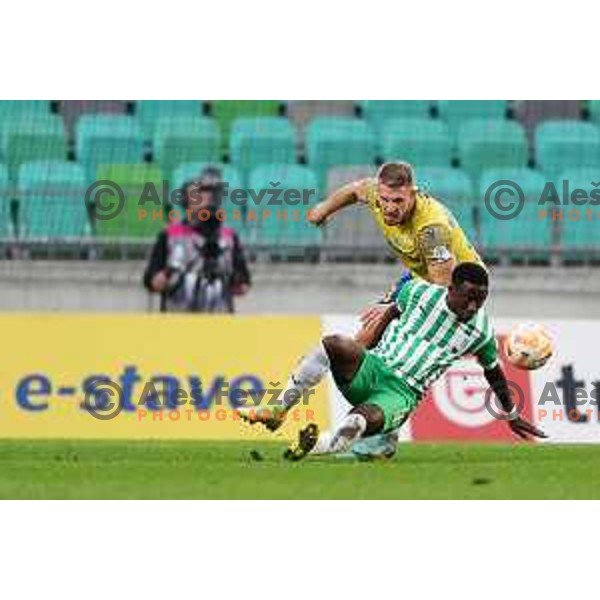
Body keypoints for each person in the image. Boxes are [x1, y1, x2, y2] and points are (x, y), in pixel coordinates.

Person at [240, 263, 547, 460]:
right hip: (373, 367)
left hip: (400, 394)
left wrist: (511, 413)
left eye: (481, 299)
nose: (473, 305)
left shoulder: (481, 331)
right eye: (468, 296)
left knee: (358, 421)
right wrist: (361, 349)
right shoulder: (418, 292)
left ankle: (318, 444)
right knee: (333, 344)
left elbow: (493, 372)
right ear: (450, 288)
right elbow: (391, 314)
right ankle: (278, 409)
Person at [306, 161, 486, 458]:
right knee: (365, 339)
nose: (389, 208)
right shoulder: (375, 193)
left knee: (397, 356)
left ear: (412, 193)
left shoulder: (432, 230)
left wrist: (392, 307)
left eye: (398, 201)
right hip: (420, 280)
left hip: (460, 291)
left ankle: (381, 434)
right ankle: (379, 433)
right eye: (385, 200)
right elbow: (353, 191)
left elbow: (440, 289)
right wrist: (323, 209)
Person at [143, 167, 251, 313]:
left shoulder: (229, 236)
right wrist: (170, 271)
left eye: (209, 193)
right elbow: (152, 284)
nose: (206, 197)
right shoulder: (169, 234)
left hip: (219, 323)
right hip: (178, 322)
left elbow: (243, 287)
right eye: (199, 193)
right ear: (186, 200)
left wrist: (230, 276)